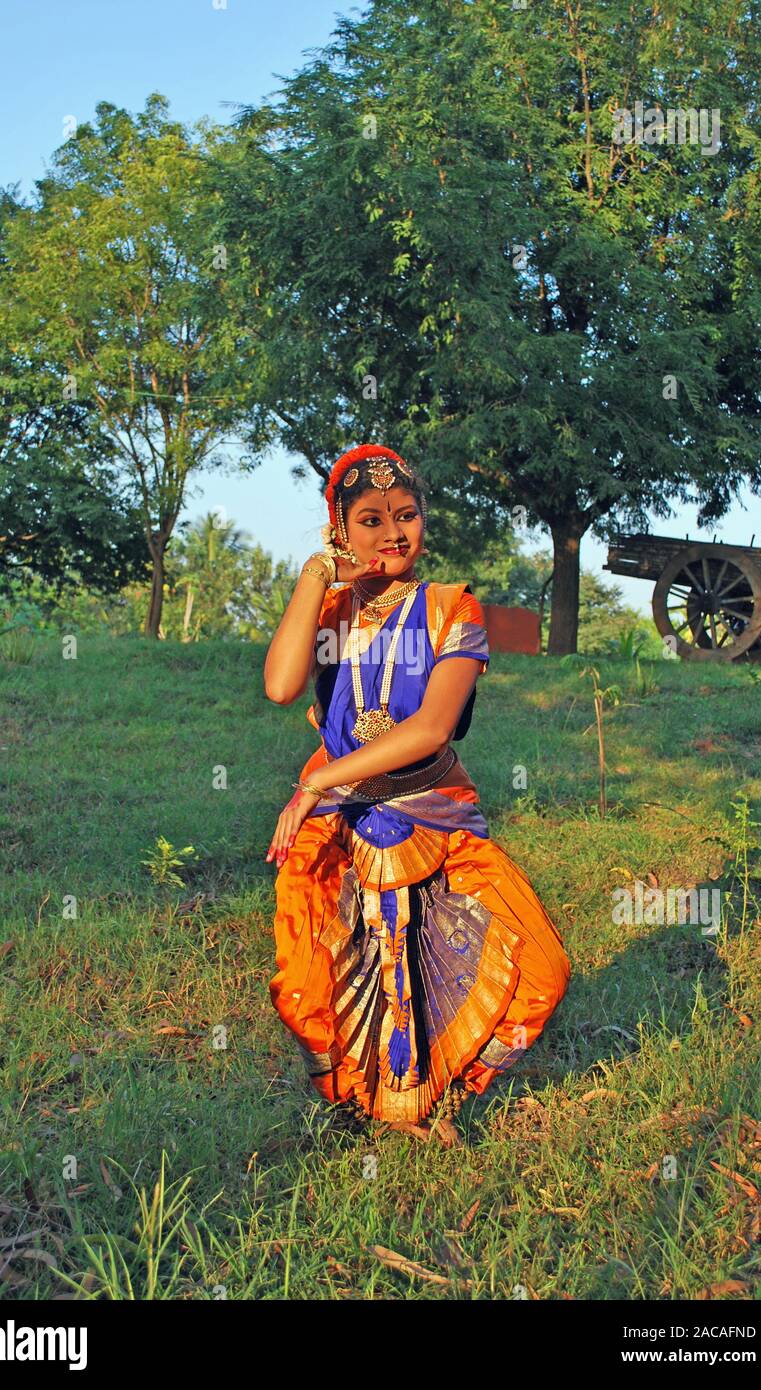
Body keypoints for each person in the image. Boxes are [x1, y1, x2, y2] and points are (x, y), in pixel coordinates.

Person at [263, 444, 571, 1144]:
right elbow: (282, 686)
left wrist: (315, 781)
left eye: (407, 515)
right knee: (323, 966)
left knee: (542, 966)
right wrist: (315, 576)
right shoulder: (334, 612)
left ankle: (456, 1083)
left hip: (435, 806)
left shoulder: (450, 609)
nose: (393, 533)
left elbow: (430, 728)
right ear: (340, 532)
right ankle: (367, 1105)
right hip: (349, 817)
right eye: (369, 520)